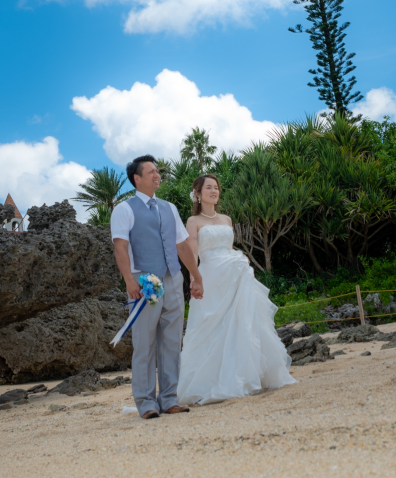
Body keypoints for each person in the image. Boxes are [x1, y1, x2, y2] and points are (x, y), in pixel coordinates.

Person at [177, 174, 296, 405]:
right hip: (210, 275)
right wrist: (194, 278)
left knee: (242, 322)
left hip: (234, 274)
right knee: (212, 326)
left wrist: (238, 253)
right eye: (208, 188)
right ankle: (210, 381)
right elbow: (192, 252)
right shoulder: (193, 221)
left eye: (216, 188)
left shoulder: (226, 219)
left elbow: (227, 246)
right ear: (198, 194)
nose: (214, 191)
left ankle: (244, 375)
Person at [110, 155, 204, 420]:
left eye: (157, 171)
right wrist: (129, 279)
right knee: (145, 343)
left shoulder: (169, 207)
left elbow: (182, 246)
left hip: (173, 279)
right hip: (144, 282)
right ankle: (146, 402)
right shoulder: (124, 209)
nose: (157, 175)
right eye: (151, 171)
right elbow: (121, 247)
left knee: (172, 341)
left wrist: (196, 276)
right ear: (136, 179)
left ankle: (169, 399)